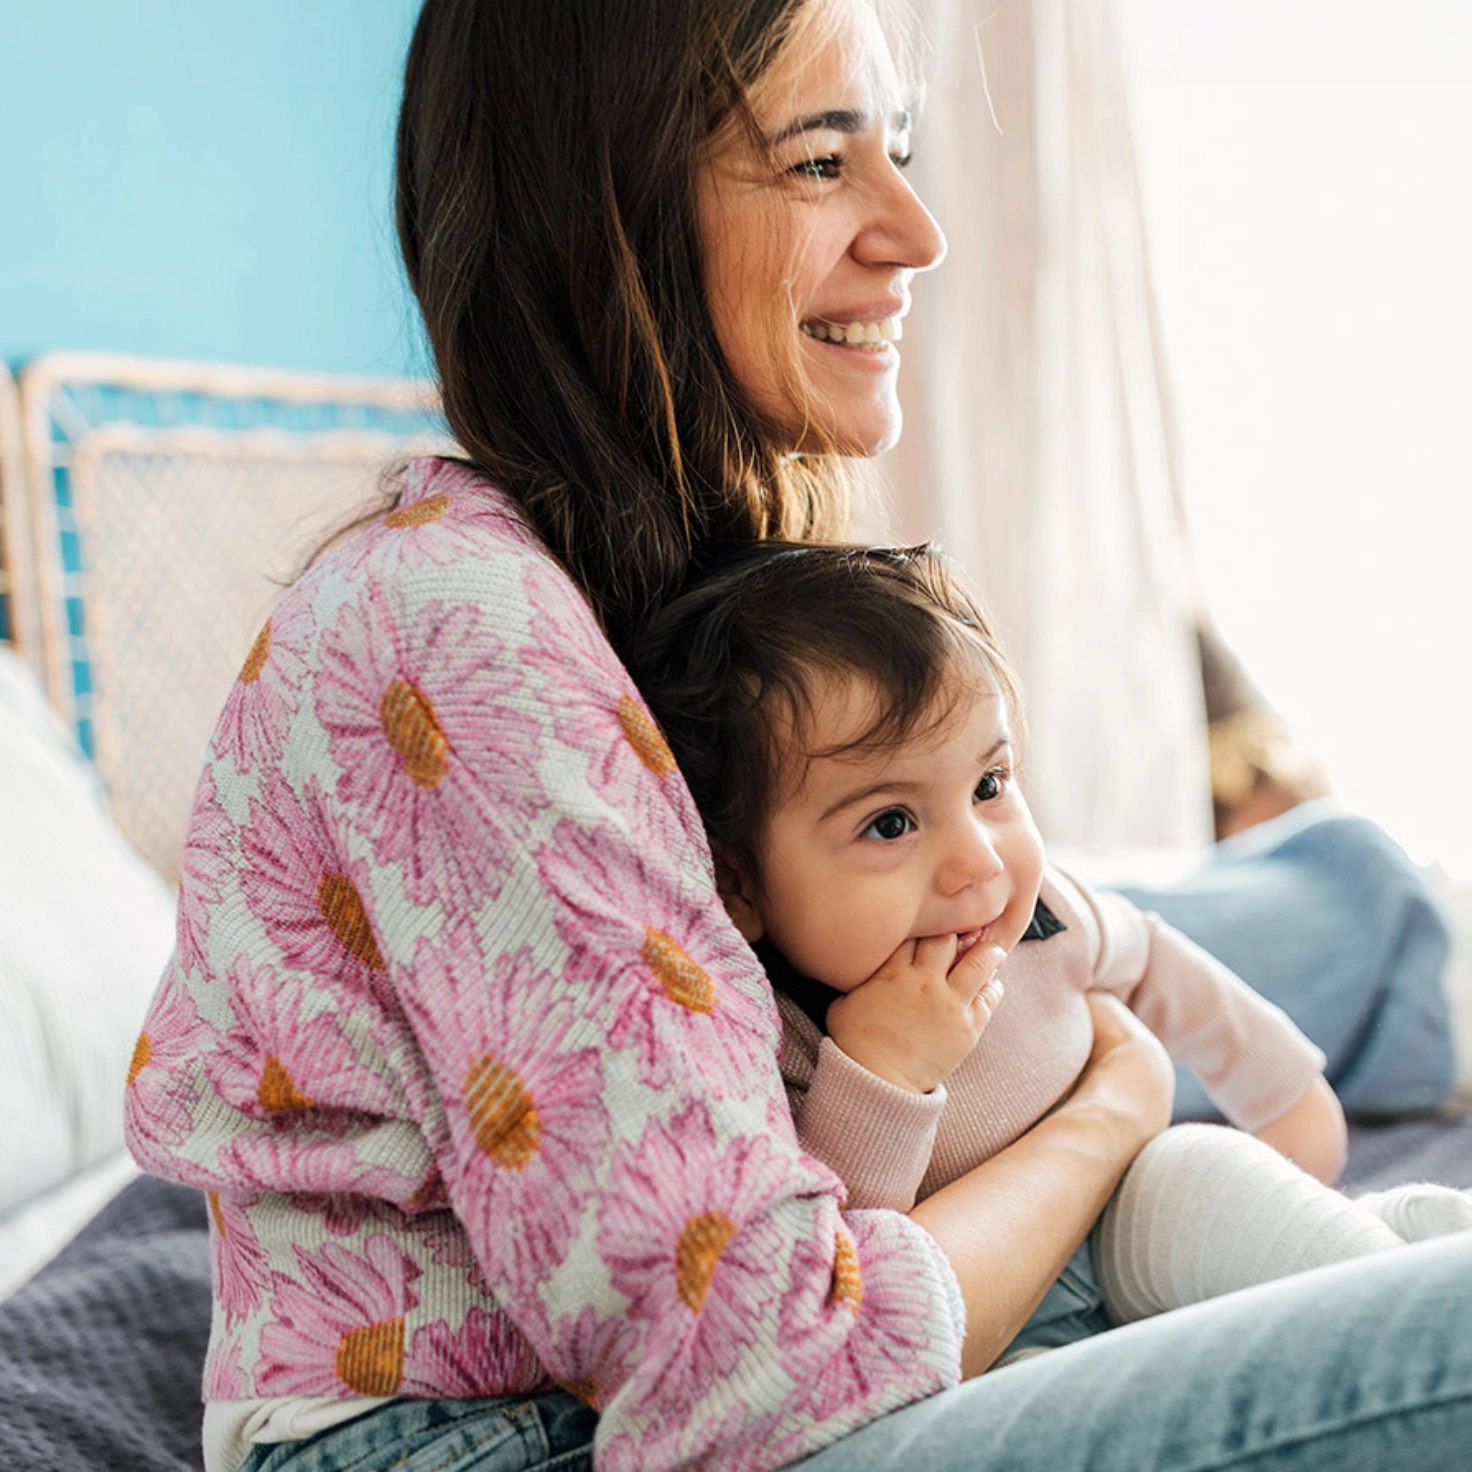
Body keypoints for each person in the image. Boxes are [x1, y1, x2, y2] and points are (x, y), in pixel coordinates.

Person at [122, 0, 1472, 1469]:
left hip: (659, 1394)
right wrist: (1110, 1109)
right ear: (610, 214)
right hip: (483, 1440)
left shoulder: (656, 592)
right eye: (824, 162)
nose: (917, 229)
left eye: (897, 148)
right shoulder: (454, 622)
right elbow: (764, 1376)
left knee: (1364, 1238)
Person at [625, 537, 1472, 1343]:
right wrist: (883, 1075)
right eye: (890, 823)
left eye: (990, 784)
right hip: (1002, 1327)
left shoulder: (1045, 919)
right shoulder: (773, 1040)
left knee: (1205, 1180)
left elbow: (1162, 966)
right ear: (737, 883)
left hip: (1131, 1211)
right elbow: (853, 1266)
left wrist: (1282, 1092)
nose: (977, 861)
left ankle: (1418, 1309)